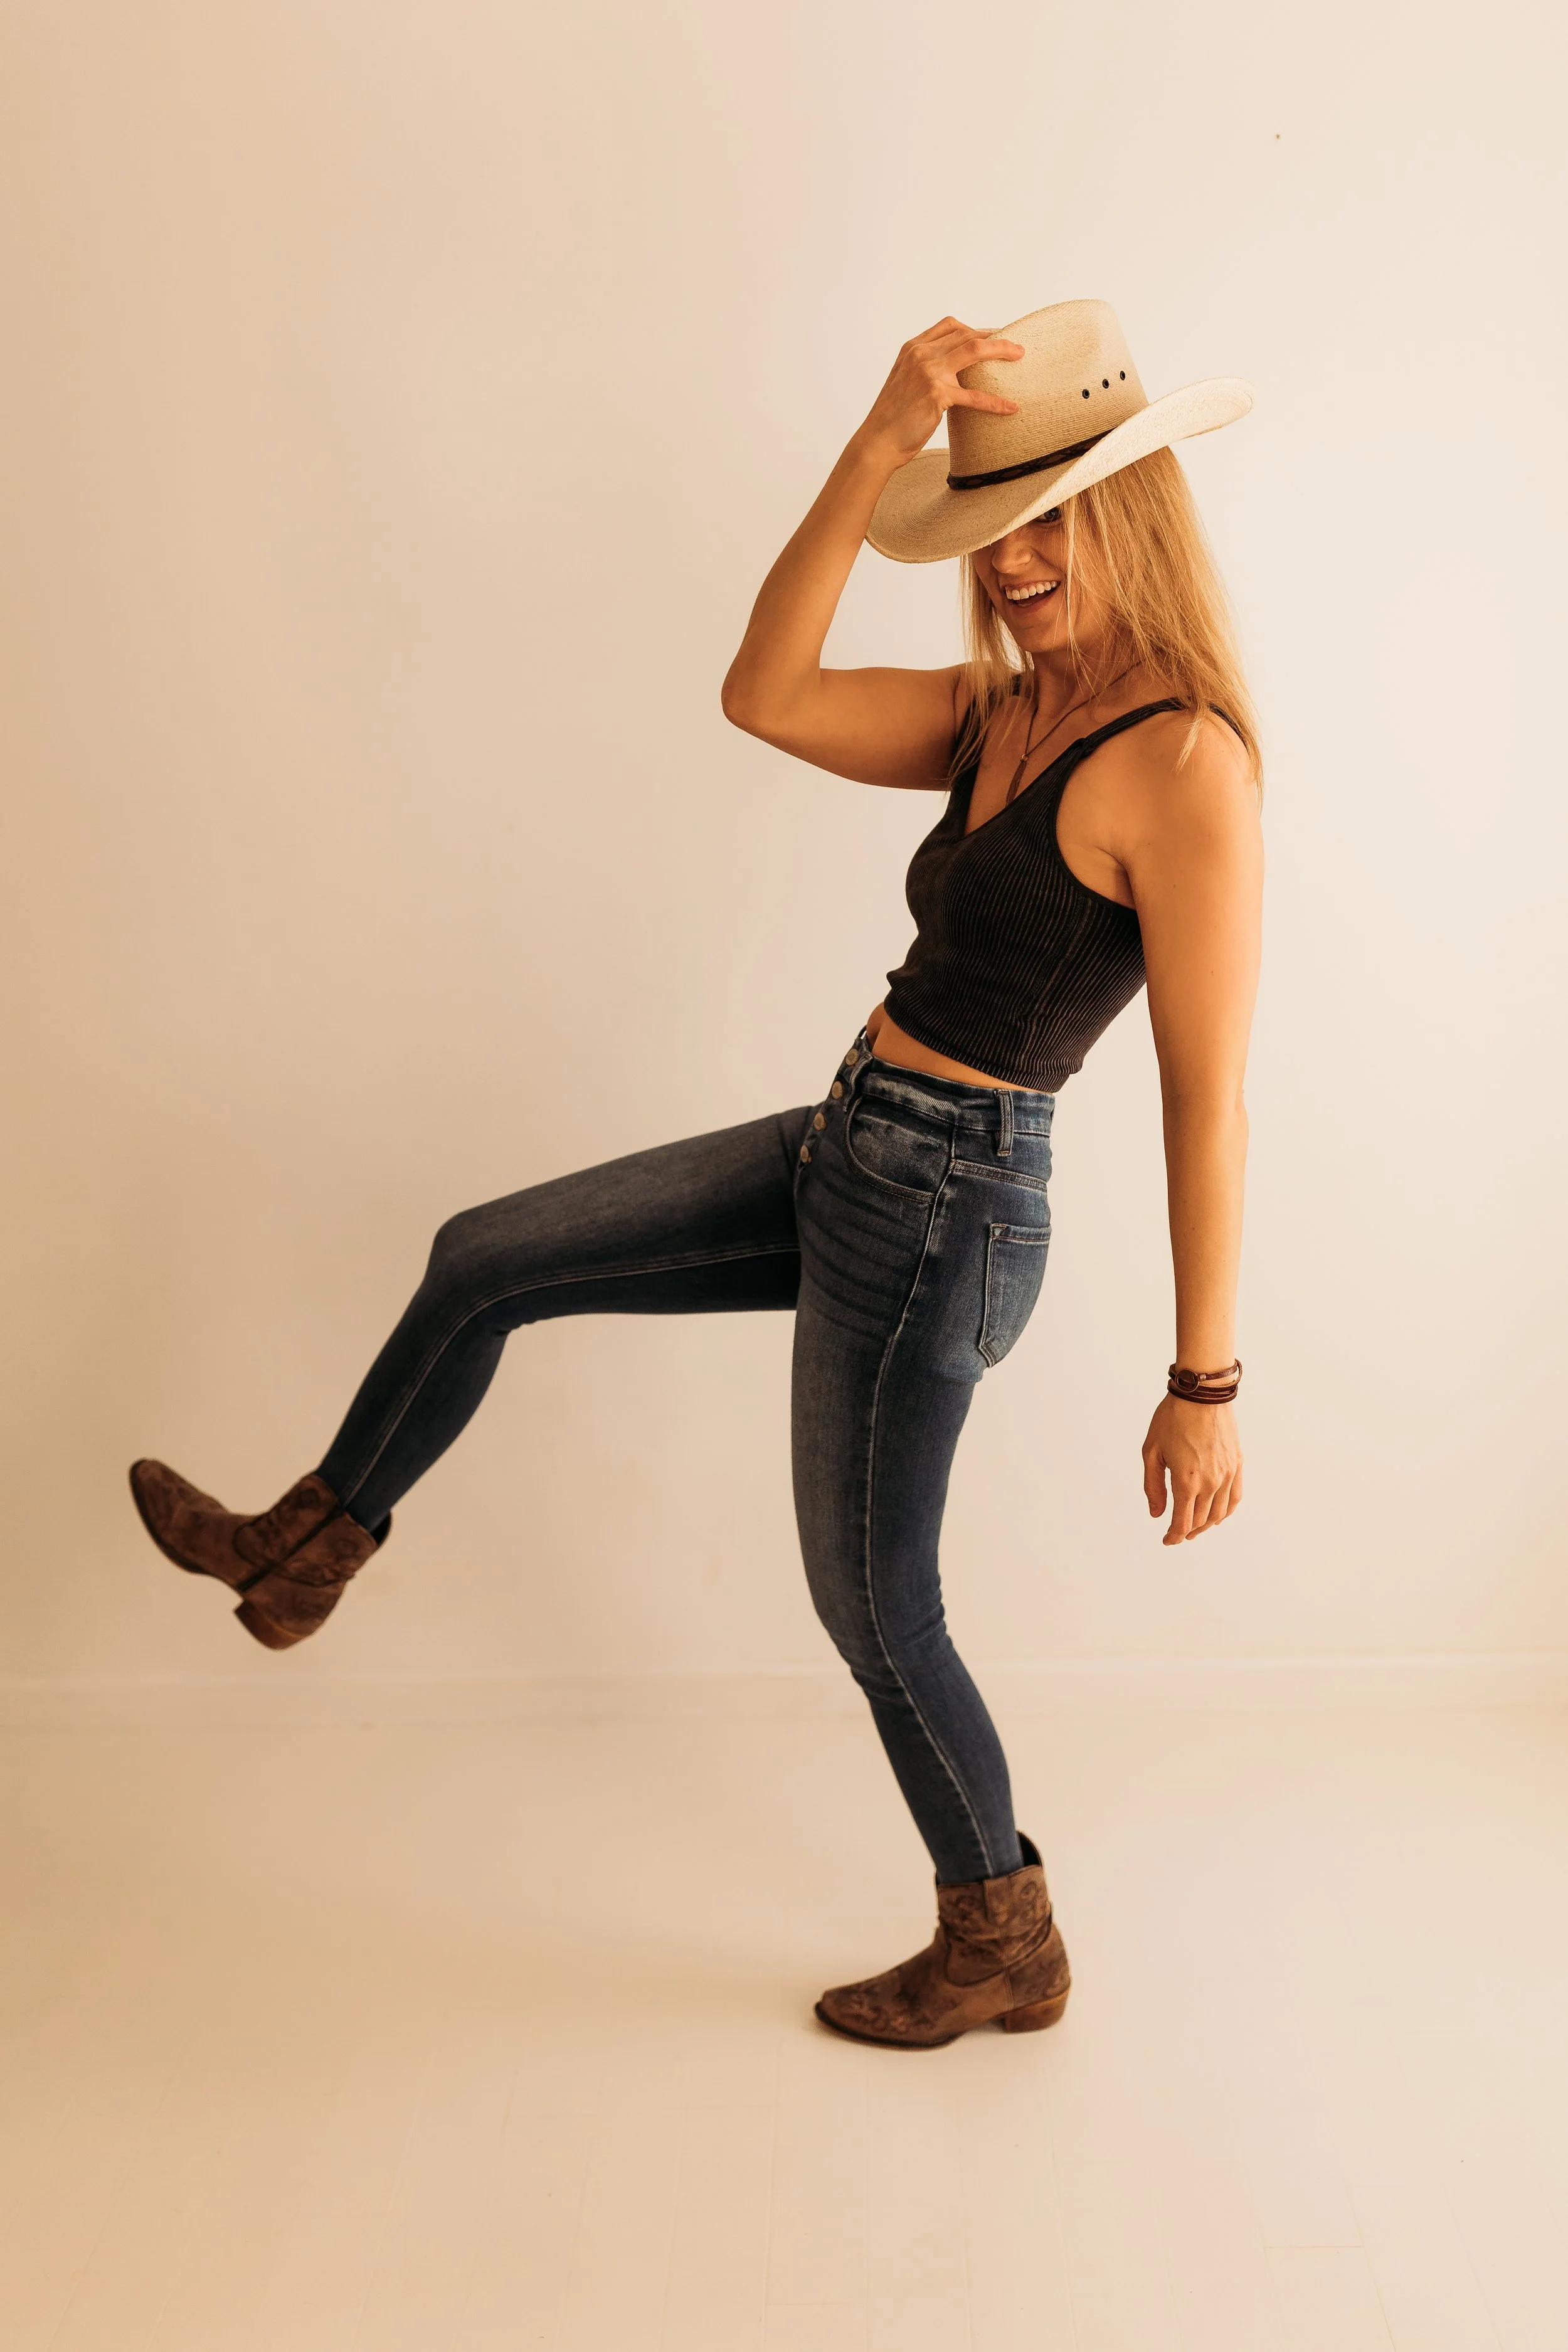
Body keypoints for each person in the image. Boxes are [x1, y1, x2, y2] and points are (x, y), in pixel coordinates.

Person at [129, 300, 1263, 2050]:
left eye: (1052, 516)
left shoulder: (1184, 761)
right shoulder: (1005, 711)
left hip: (949, 1209)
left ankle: (1002, 1935)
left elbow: (1208, 1093)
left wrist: (1205, 1380)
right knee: (484, 1256)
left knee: (874, 1605)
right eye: (990, 523)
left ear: (1133, 509)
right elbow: (766, 694)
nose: (1017, 560)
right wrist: (878, 444)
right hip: (846, 1144)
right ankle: (307, 1552)